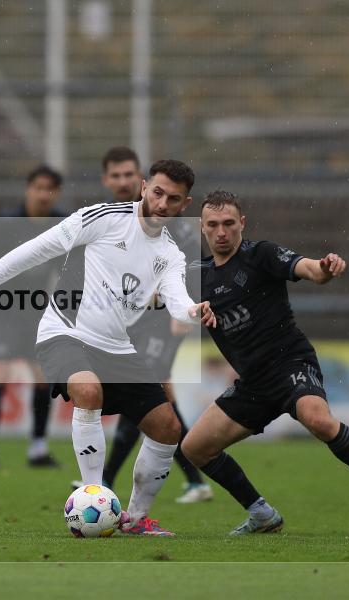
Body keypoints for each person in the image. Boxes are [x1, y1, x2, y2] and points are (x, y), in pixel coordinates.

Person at [0, 160, 216, 536]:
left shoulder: (171, 254)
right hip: (64, 331)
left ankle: (134, 519)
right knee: (88, 390)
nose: (162, 203)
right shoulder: (103, 216)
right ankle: (94, 495)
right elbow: (37, 248)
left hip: (117, 347)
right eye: (158, 192)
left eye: (173, 199)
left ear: (184, 204)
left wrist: (193, 311)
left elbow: (177, 298)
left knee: (167, 426)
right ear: (145, 186)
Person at [180, 190, 349, 535]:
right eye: (213, 225)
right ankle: (262, 515)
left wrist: (325, 268)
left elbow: (309, 269)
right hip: (253, 384)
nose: (222, 232)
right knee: (194, 448)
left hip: (289, 362)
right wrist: (191, 310)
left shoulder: (260, 254)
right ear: (201, 228)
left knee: (317, 420)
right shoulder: (196, 274)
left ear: (242, 223)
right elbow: (164, 299)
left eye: (229, 223)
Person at [70, 147, 212, 504]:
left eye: (129, 175)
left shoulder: (172, 227)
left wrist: (182, 316)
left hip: (164, 324)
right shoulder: (112, 219)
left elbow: (188, 271)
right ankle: (193, 479)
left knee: (149, 399)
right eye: (116, 176)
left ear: (141, 180)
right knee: (157, 400)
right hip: (128, 326)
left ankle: (107, 481)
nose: (124, 182)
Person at [0, 165, 66, 468]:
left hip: (37, 310)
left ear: (56, 193)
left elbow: (70, 272)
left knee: (43, 379)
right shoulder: (6, 224)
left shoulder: (63, 224)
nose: (43, 194)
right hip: (2, 310)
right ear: (27, 189)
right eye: (37, 187)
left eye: (49, 188)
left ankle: (37, 448)